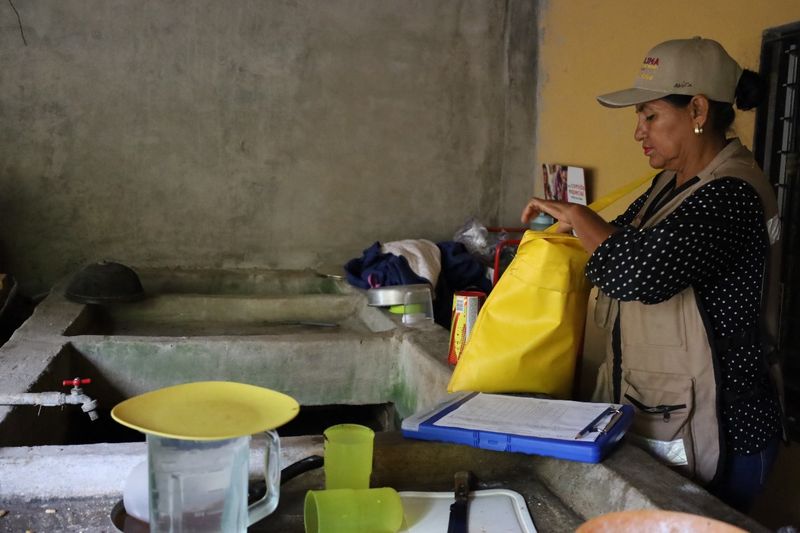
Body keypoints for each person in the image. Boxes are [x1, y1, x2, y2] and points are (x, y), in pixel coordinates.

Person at [520, 37, 783, 513]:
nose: (639, 133)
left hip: (724, 427)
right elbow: (624, 239)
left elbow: (636, 272)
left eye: (650, 116)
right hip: (666, 413)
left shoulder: (731, 194)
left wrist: (579, 216)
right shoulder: (671, 182)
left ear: (698, 109)